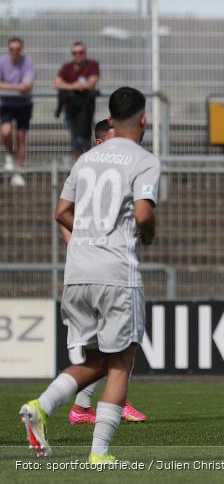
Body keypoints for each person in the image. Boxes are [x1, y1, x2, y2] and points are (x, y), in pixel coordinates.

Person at [20, 87, 160, 463]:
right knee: (121, 362)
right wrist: (147, 235)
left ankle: (39, 406)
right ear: (143, 119)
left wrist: (87, 234)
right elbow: (144, 214)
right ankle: (99, 453)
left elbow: (61, 211)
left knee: (96, 361)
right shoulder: (144, 160)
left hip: (77, 272)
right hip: (116, 272)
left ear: (110, 119)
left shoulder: (85, 159)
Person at [64, 119, 148, 425]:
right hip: (98, 272)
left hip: (104, 268)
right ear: (101, 142)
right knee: (115, 348)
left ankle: (84, 407)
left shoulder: (107, 171)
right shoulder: (88, 170)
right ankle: (98, 406)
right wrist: (86, 245)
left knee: (109, 348)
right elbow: (64, 217)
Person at [54, 41, 100, 159]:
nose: (78, 55)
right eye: (75, 53)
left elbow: (91, 83)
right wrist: (75, 86)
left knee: (84, 140)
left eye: (80, 52)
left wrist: (67, 85)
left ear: (85, 52)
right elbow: (57, 83)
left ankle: (87, 163)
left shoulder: (92, 65)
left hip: (86, 111)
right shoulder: (67, 67)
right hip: (70, 110)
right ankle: (78, 164)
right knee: (75, 140)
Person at [0, 36, 35, 187]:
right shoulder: (2, 61)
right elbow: (21, 86)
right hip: (6, 104)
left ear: (21, 49)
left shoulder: (28, 61)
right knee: (6, 132)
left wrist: (7, 86)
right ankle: (10, 155)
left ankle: (18, 171)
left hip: (24, 104)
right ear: (8, 49)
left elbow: (27, 85)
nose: (15, 52)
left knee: (21, 137)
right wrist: (16, 87)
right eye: (12, 49)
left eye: (17, 49)